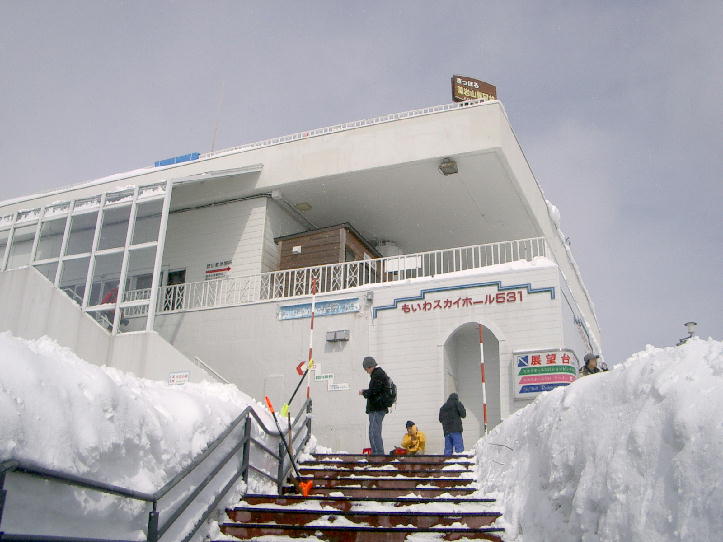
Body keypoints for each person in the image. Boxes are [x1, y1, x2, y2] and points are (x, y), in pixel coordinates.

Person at [358, 356, 389, 455]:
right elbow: (376, 390)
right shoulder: (379, 374)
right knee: (375, 431)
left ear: (370, 366)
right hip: (378, 408)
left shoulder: (377, 375)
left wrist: (364, 392)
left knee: (373, 432)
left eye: (366, 369)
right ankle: (378, 453)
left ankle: (377, 454)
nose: (366, 371)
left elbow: (374, 391)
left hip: (377, 408)